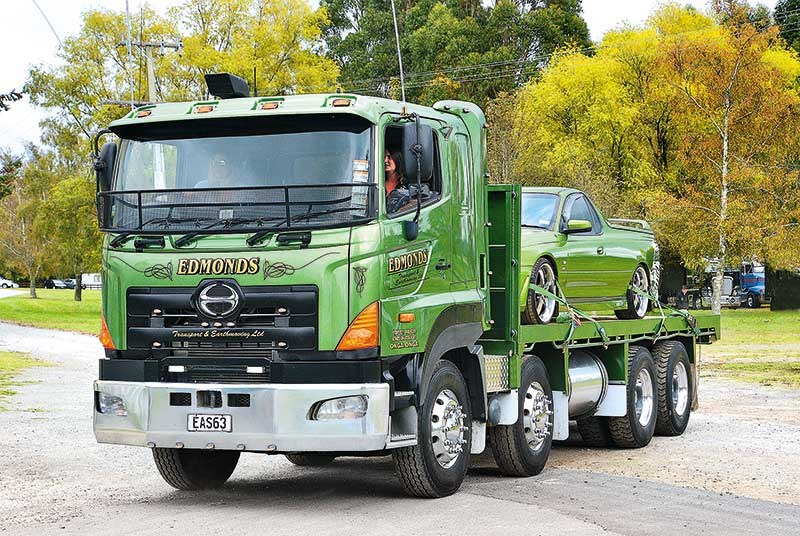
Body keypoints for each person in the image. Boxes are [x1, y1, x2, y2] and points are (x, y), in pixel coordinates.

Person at [385, 148, 430, 213]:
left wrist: (399, 212)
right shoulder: (378, 182)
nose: (385, 160)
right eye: (384, 157)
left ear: (397, 159)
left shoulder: (409, 185)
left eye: (389, 157)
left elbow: (414, 203)